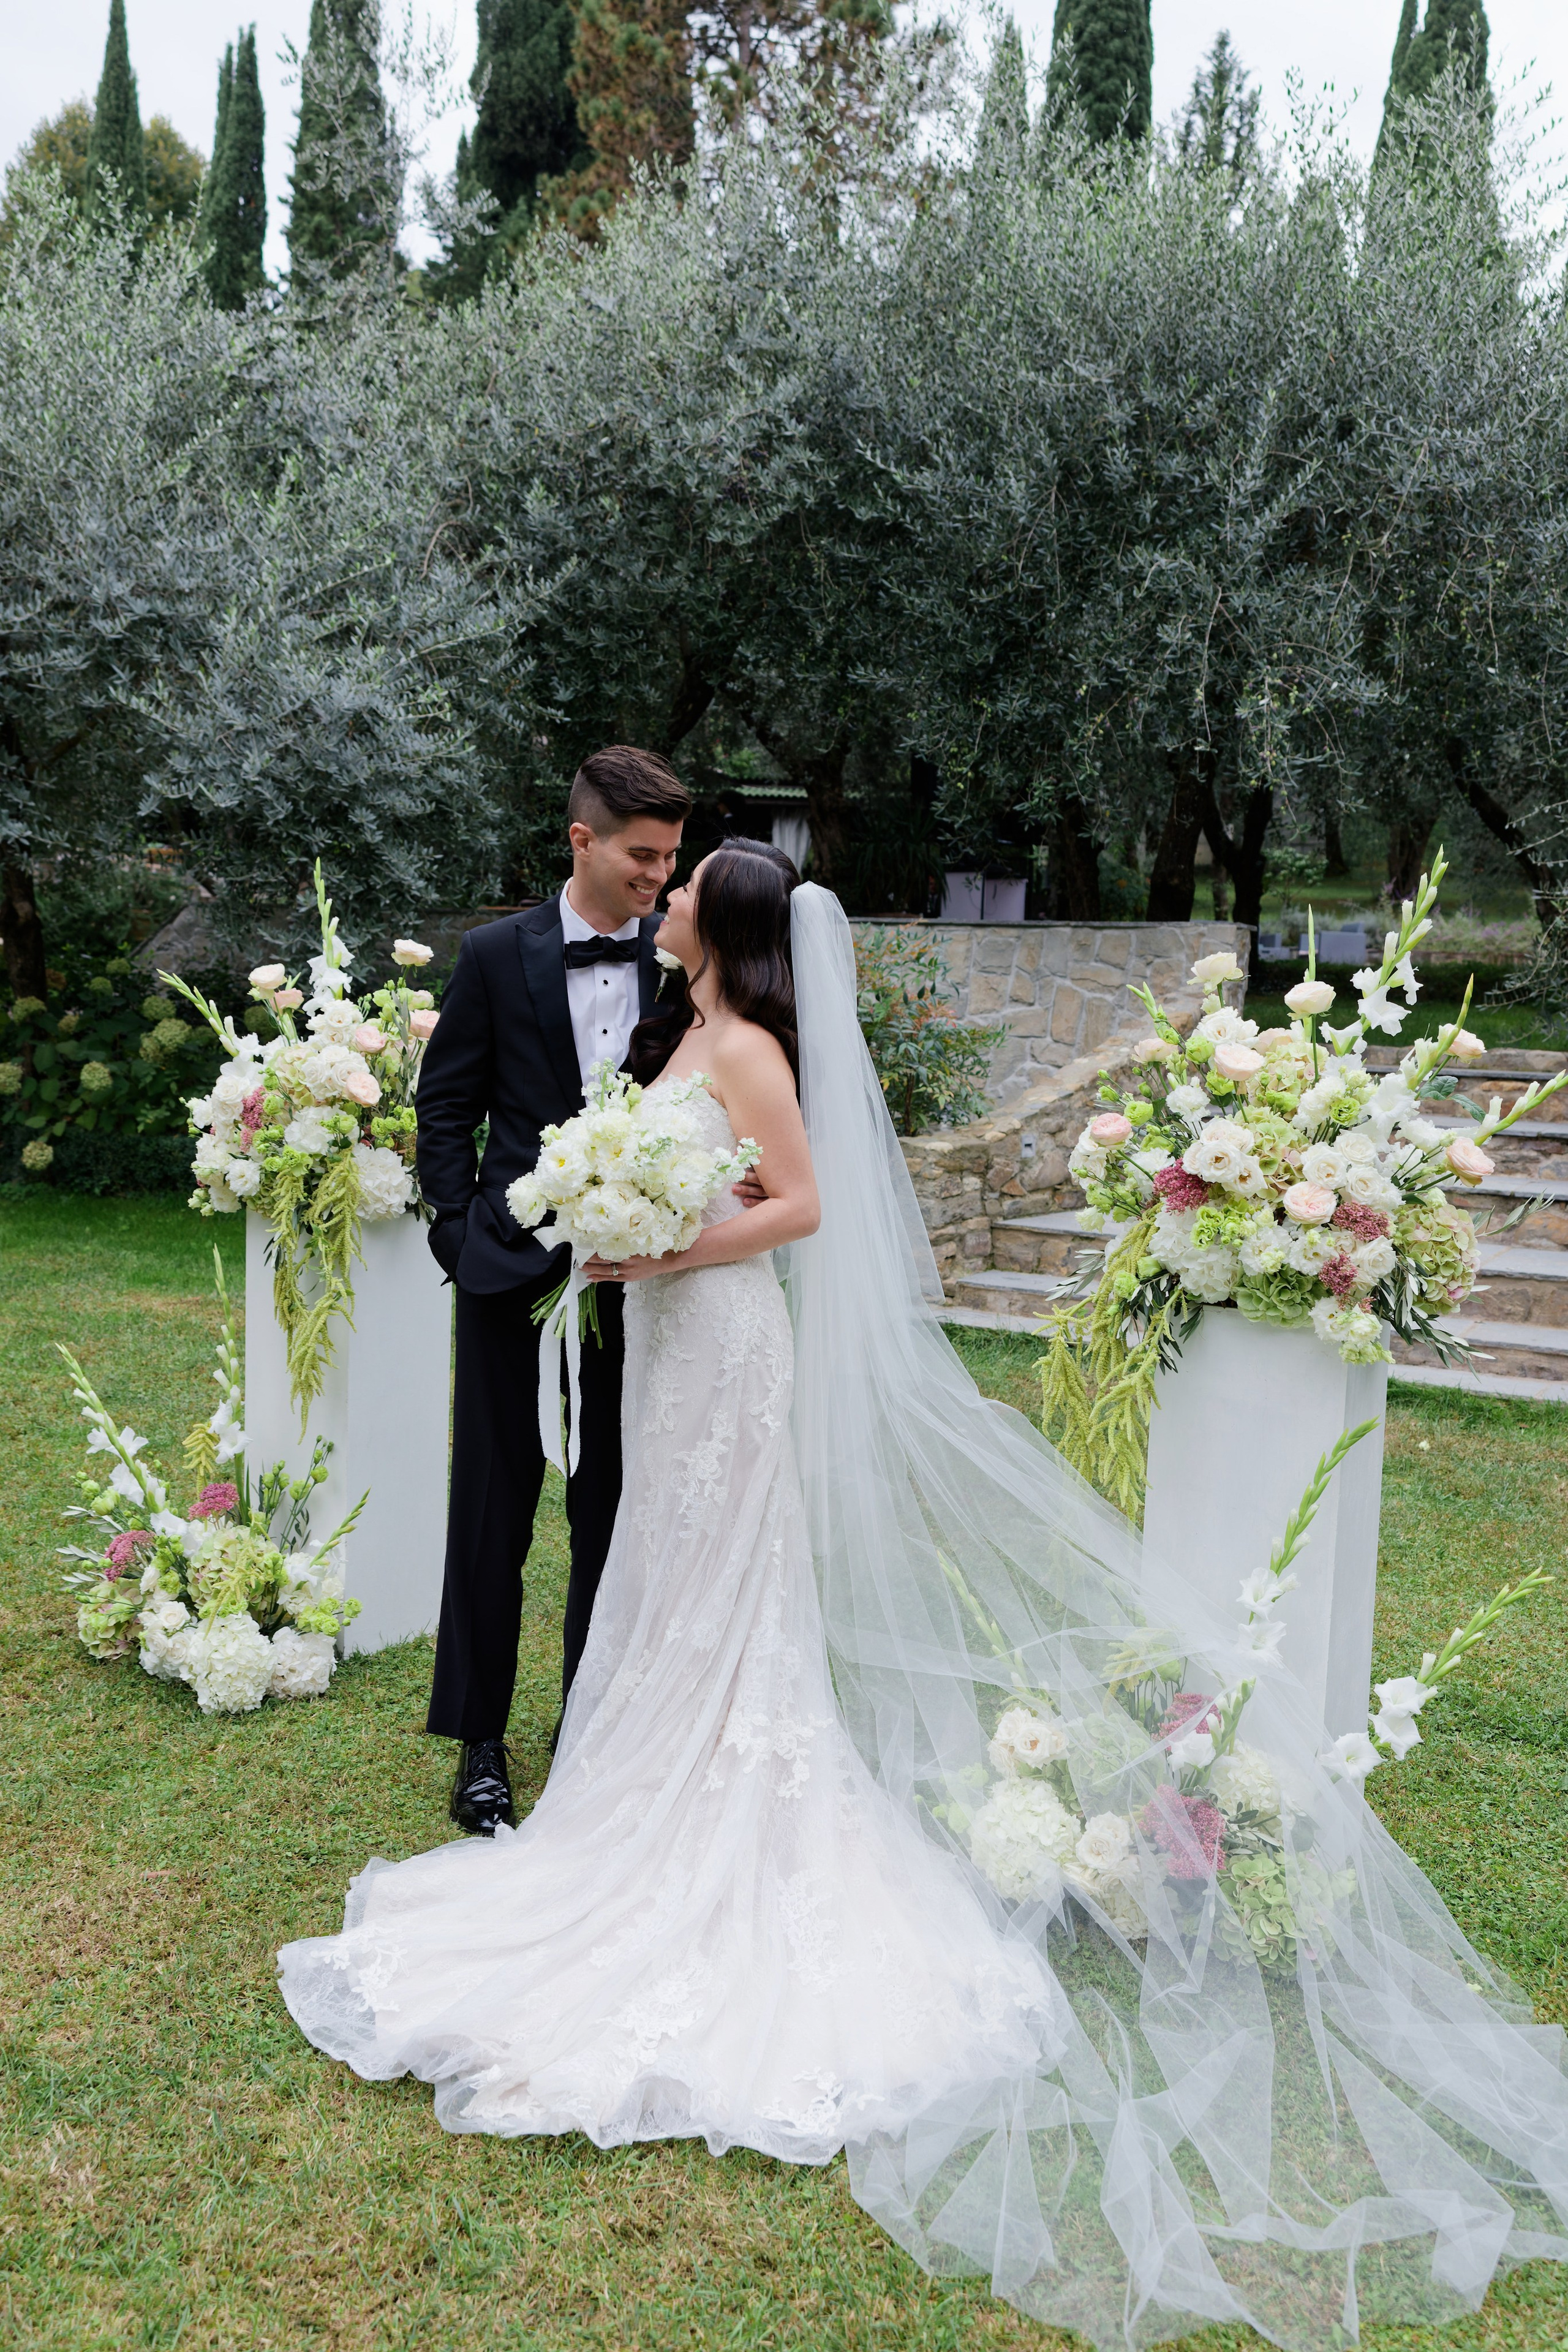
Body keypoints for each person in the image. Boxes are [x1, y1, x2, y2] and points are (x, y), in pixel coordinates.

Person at [282, 849, 1568, 2350]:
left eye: (686, 884)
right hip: (671, 1343)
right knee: (655, 1572)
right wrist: (618, 1229)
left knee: (715, 1577)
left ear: (729, 924)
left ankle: (705, 1803)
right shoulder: (680, 1023)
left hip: (725, 1343)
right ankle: (637, 1778)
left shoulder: (750, 1045)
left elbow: (804, 1205)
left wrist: (665, 1242)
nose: (668, 897)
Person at [413, 747, 758, 1837]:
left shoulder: (688, 965)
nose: (660, 877)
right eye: (642, 856)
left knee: (613, 1506)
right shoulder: (493, 955)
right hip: (507, 1276)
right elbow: (445, 1106)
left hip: (645, 1287)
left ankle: (590, 1723)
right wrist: (459, 1238)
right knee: (491, 1510)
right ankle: (478, 1741)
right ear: (583, 841)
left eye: (671, 860)